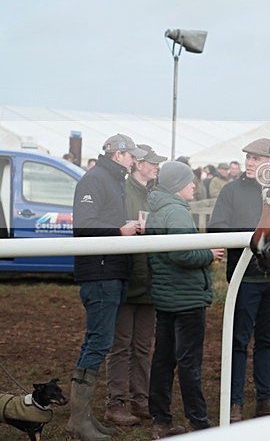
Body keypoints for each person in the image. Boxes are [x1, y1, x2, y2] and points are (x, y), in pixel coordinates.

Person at [207, 138, 270, 421]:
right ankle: (235, 402)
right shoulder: (232, 191)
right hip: (245, 281)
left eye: (257, 158)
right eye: (249, 158)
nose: (251, 163)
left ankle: (265, 399)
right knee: (239, 342)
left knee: (267, 341)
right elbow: (217, 227)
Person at [68, 134, 146, 440]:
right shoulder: (94, 179)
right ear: (119, 155)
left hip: (110, 270)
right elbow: (84, 226)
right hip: (100, 272)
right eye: (132, 156)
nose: (134, 160)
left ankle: (82, 417)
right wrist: (120, 230)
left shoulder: (110, 179)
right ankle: (79, 421)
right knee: (98, 343)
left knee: (98, 342)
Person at [146, 161, 225, 437]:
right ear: (179, 185)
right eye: (189, 181)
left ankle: (161, 418)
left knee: (164, 359)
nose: (194, 185)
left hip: (168, 297)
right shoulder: (176, 213)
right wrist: (209, 254)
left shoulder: (158, 209)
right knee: (189, 361)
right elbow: (181, 253)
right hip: (186, 298)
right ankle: (199, 422)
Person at [105, 144, 166, 426]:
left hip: (149, 281)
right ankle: (115, 403)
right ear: (138, 163)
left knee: (143, 346)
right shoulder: (122, 192)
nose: (156, 167)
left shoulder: (153, 195)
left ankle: (140, 400)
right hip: (128, 278)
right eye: (151, 162)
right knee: (121, 346)